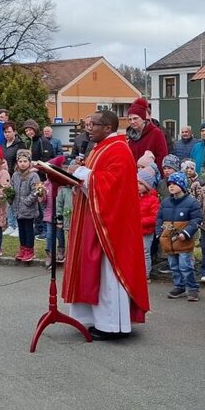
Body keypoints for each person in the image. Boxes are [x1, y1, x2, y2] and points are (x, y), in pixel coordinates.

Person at [63, 110, 151, 340]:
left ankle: (111, 325)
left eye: (93, 124)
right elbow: (94, 179)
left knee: (106, 274)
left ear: (108, 128)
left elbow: (111, 186)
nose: (88, 127)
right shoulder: (100, 147)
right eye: (87, 123)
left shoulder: (119, 150)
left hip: (111, 227)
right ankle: (92, 319)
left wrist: (80, 173)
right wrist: (77, 177)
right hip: (93, 219)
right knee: (94, 271)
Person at [157, 171, 202, 301]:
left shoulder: (191, 202)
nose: (171, 186)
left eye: (174, 184)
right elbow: (159, 218)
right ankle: (179, 286)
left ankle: (192, 288)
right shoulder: (165, 202)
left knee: (185, 266)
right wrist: (159, 233)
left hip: (183, 240)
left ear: (182, 185)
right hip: (168, 241)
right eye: (169, 184)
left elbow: (196, 220)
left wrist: (186, 233)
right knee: (174, 266)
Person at [10, 149, 43, 263]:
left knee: (29, 229)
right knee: (21, 229)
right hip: (18, 208)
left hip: (28, 208)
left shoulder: (33, 175)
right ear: (17, 162)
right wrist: (9, 196)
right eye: (20, 161)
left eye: (25, 161)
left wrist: (27, 201)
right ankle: (23, 248)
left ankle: (29, 249)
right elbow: (11, 187)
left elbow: (37, 191)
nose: (22, 163)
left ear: (29, 162)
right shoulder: (15, 175)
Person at [126, 97, 168, 169]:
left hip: (150, 177)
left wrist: (157, 175)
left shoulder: (156, 133)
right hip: (133, 176)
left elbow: (162, 157)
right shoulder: (130, 136)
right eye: (130, 119)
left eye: (135, 118)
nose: (132, 122)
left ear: (143, 119)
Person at [43, 155, 68, 267]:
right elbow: (43, 201)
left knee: (59, 233)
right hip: (49, 213)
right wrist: (41, 195)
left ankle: (61, 250)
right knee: (49, 234)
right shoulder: (46, 184)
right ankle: (49, 253)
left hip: (59, 214)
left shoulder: (62, 185)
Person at [0, 122, 26, 236]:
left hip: (17, 176)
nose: (7, 134)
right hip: (5, 176)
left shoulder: (20, 145)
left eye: (9, 131)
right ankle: (11, 225)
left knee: (17, 201)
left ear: (14, 131)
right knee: (9, 201)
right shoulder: (2, 144)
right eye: (5, 132)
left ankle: (18, 226)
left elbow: (22, 161)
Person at [137, 166, 160, 280]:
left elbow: (154, 217)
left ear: (147, 186)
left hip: (146, 231)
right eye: (136, 183)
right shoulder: (133, 197)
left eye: (140, 184)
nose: (138, 186)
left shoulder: (153, 200)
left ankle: (145, 274)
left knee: (145, 252)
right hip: (134, 230)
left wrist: (140, 222)